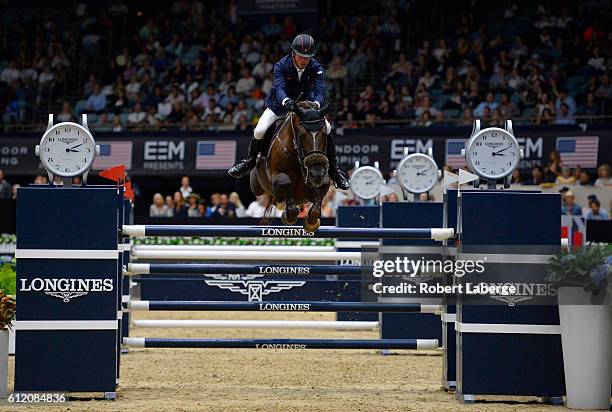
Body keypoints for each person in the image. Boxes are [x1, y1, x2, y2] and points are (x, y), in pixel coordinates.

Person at [228, 34, 349, 190]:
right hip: (279, 105)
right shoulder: (281, 65)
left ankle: (335, 172)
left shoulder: (316, 67)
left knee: (328, 128)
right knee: (260, 130)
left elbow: (320, 90)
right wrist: (286, 101)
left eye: (308, 57)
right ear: (293, 53)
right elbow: (279, 88)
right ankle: (248, 163)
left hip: (306, 106)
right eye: (301, 56)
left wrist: (316, 105)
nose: (305, 60)